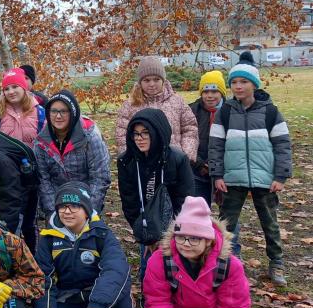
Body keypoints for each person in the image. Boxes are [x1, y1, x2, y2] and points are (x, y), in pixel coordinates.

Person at [210, 51, 292, 286]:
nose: (238, 86)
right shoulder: (225, 112)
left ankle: (276, 263)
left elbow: (282, 144)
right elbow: (216, 145)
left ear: (254, 84)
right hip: (232, 178)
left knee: (270, 222)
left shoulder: (270, 112)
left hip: (264, 179)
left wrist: (280, 175)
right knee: (226, 224)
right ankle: (222, 263)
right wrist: (217, 174)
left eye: (243, 82)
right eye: (234, 82)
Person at [137, 197, 266, 308]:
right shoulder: (160, 260)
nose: (185, 244)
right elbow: (157, 302)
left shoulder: (229, 265)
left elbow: (232, 307)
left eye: (194, 239)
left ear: (209, 241)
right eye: (180, 237)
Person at [34, 183, 135, 308]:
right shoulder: (48, 238)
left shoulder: (102, 235)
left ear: (86, 211)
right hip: (69, 297)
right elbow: (42, 278)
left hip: (100, 296)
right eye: (62, 206)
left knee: (123, 301)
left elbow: (116, 270)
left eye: (75, 206)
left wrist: (97, 306)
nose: (67, 211)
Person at [117, 108, 194, 284]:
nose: (139, 138)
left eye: (145, 133)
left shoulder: (177, 159)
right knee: (150, 269)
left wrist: (169, 236)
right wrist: (146, 235)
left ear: (157, 132)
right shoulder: (126, 161)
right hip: (146, 226)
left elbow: (185, 200)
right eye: (135, 134)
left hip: (175, 228)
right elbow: (129, 201)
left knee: (176, 271)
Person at [0, 67, 44, 249]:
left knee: (29, 222)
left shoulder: (40, 113)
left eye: (14, 87)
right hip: (7, 178)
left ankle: (32, 259)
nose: (11, 92)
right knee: (9, 220)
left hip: (32, 177)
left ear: (24, 87)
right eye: (6, 89)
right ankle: (10, 257)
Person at [34, 90, 111, 217]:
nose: (58, 116)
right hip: (57, 202)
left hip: (86, 199)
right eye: (54, 111)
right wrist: (54, 213)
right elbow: (43, 180)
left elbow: (100, 176)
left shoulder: (89, 136)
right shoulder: (41, 141)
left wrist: (88, 211)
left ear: (73, 113)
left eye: (64, 111)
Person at [115, 56, 198, 160]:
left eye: (156, 79)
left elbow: (190, 128)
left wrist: (186, 155)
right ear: (140, 82)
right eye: (147, 80)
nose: (152, 84)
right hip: (142, 162)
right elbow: (122, 134)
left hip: (173, 161)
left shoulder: (177, 101)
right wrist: (131, 158)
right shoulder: (130, 105)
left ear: (163, 80)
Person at [188, 70, 227, 205]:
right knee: (198, 209)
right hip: (197, 170)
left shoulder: (231, 111)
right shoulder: (191, 111)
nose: (209, 96)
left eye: (214, 91)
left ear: (222, 93)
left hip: (224, 171)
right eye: (205, 92)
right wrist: (199, 163)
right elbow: (187, 139)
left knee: (228, 215)